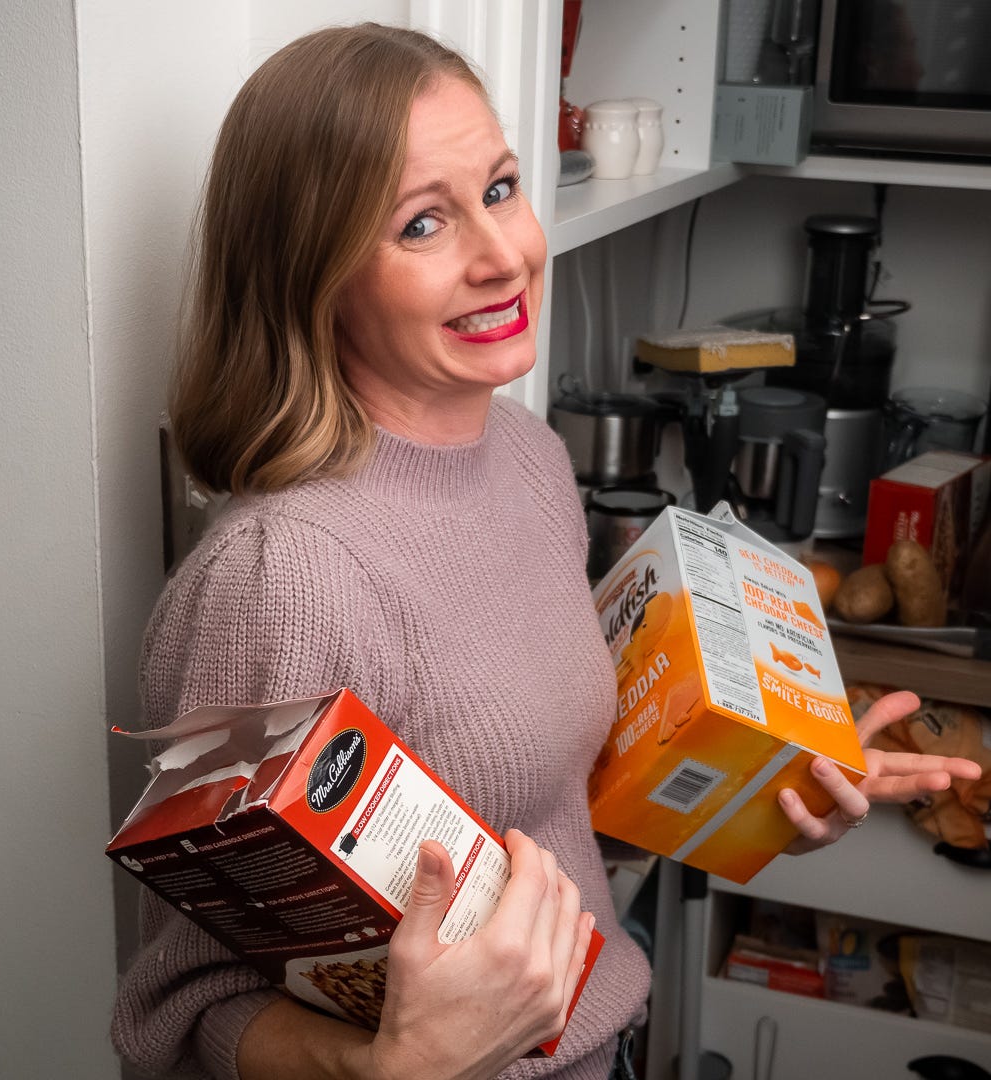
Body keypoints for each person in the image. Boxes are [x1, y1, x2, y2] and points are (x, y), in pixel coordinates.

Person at [111, 22, 980, 1080]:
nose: (502, 254)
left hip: (602, 1047)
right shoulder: (286, 576)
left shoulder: (522, 456)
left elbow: (544, 813)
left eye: (501, 188)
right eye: (422, 224)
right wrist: (394, 1069)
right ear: (312, 276)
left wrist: (766, 795)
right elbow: (185, 1002)